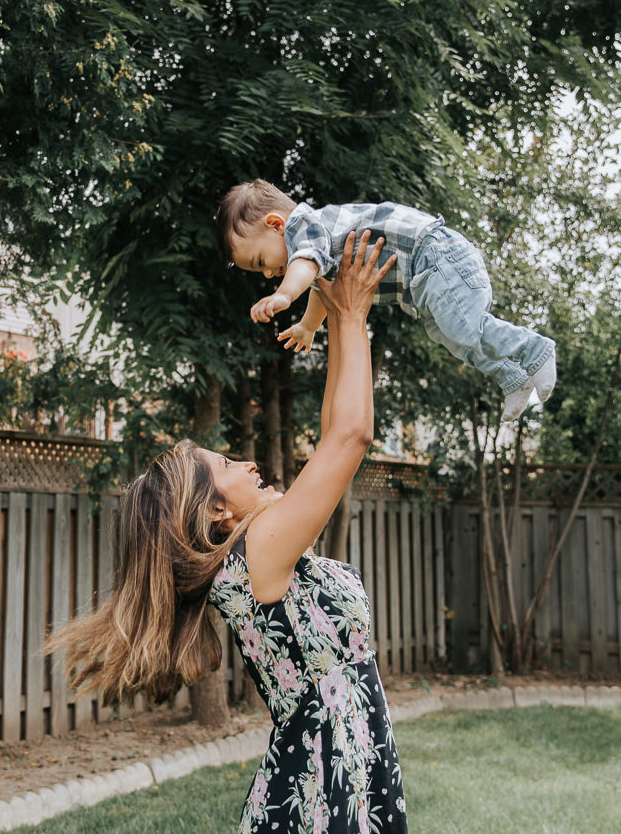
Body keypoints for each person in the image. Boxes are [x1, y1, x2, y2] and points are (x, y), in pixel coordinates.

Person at [45, 232, 406, 834]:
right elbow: (350, 438)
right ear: (215, 512)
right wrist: (351, 313)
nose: (244, 462)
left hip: (347, 784)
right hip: (320, 799)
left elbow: (331, 429)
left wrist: (331, 328)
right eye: (225, 466)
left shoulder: (262, 550)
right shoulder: (254, 555)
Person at [218, 178, 557, 422]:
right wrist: (308, 326)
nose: (266, 273)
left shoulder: (302, 226)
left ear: (276, 225)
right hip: (426, 279)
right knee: (453, 337)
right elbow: (321, 285)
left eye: (260, 261)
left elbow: (305, 266)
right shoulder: (316, 249)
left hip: (435, 256)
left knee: (465, 329)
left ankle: (535, 350)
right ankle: (512, 376)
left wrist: (283, 295)